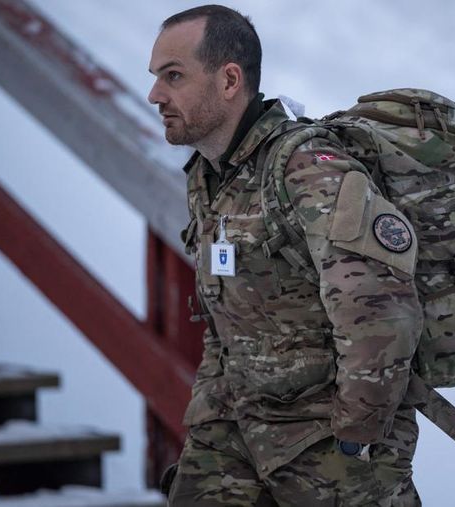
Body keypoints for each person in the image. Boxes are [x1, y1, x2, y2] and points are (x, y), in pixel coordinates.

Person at [147, 5, 423, 506]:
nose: (155, 95)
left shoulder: (306, 169)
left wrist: (356, 436)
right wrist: (209, 417)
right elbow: (222, 312)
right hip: (233, 435)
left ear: (229, 80)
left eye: (173, 76)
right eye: (156, 78)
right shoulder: (212, 177)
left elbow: (381, 311)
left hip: (324, 450)